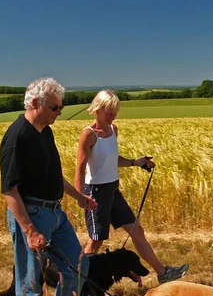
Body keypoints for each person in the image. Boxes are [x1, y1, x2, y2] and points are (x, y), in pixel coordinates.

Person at [0, 77, 97, 296]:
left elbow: (54, 176)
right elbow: (8, 189)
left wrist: (79, 198)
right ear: (34, 103)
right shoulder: (17, 136)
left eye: (60, 107)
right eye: (54, 108)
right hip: (32, 214)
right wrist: (30, 231)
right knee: (30, 281)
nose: (59, 113)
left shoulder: (45, 132)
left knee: (78, 265)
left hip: (55, 213)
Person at [74, 89, 188, 284]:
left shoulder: (113, 130)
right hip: (95, 192)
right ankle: (76, 281)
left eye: (115, 111)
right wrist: (81, 197)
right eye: (108, 111)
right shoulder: (88, 134)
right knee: (96, 241)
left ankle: (163, 273)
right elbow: (80, 168)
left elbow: (112, 160)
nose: (112, 115)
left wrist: (137, 162)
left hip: (112, 190)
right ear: (97, 109)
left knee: (137, 231)